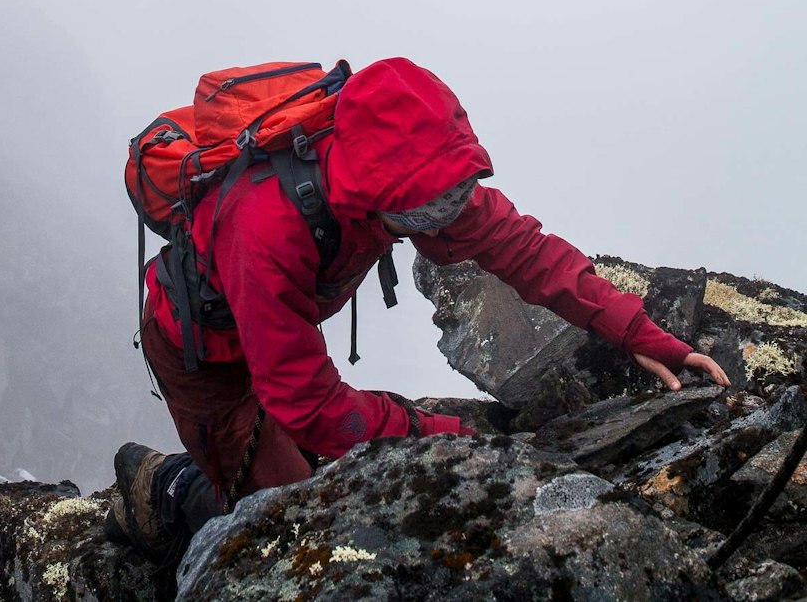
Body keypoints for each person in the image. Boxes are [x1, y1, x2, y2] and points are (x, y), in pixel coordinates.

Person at [106, 56, 729, 561]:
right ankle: (166, 488)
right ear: (372, 190)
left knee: (323, 463)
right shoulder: (268, 224)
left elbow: (528, 252)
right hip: (205, 354)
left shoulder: (418, 172)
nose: (442, 220)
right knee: (287, 517)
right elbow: (310, 404)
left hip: (276, 328)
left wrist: (638, 332)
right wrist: (442, 439)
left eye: (450, 202)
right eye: (423, 214)